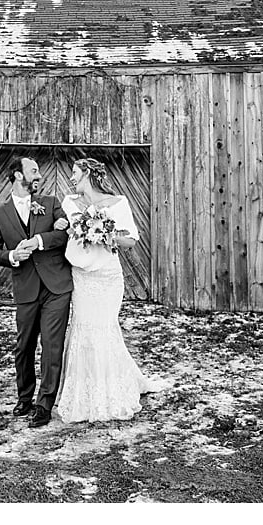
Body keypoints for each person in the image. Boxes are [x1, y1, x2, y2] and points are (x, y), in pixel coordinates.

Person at [53, 157, 166, 423]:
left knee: (105, 328)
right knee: (83, 327)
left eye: (75, 173)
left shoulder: (119, 203)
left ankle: (112, 391)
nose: (71, 178)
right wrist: (63, 226)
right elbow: (62, 231)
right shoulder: (69, 204)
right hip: (82, 276)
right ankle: (84, 394)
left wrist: (105, 234)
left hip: (107, 278)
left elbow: (131, 240)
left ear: (89, 175)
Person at [0, 156, 72, 428]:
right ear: (17, 175)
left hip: (56, 288)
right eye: (33, 171)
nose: (39, 176)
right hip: (26, 289)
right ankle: (25, 397)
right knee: (23, 347)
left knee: (51, 346)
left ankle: (44, 404)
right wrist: (12, 255)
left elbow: (65, 233)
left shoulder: (51, 203)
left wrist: (39, 241)